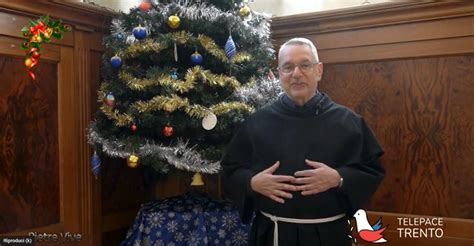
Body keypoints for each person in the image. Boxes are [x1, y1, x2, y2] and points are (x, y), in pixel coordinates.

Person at [221, 37, 385, 246]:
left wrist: (338, 178)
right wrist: (252, 183)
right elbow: (229, 170)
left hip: (328, 235)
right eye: (288, 67)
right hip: (272, 234)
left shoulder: (348, 123)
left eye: (305, 65)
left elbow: (372, 170)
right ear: (280, 74)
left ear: (319, 70)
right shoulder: (257, 122)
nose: (296, 74)